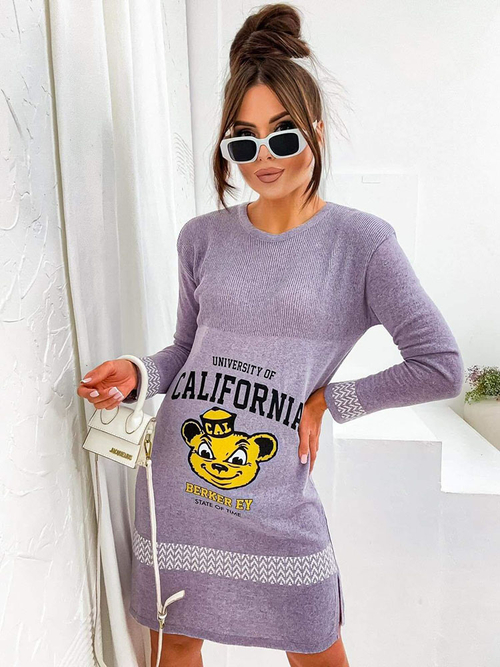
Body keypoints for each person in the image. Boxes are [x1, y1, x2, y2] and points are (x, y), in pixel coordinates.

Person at [77, 4, 464, 666]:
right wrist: (139, 372)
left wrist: (329, 400)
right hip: (180, 486)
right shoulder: (201, 238)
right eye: (243, 140)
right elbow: (187, 351)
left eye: (283, 136)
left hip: (278, 496)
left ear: (316, 132)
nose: (264, 158)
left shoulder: (363, 244)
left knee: (315, 643)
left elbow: (441, 365)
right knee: (175, 644)